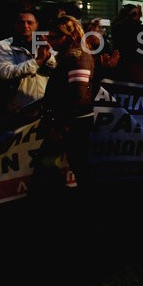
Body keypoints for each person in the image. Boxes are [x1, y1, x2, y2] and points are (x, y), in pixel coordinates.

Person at [32, 15, 96, 196]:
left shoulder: (78, 57)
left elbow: (79, 96)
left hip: (72, 124)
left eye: (54, 37)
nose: (49, 41)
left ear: (69, 36)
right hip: (70, 122)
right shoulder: (71, 55)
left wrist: (61, 126)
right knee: (79, 166)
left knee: (58, 164)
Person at [0, 10, 56, 114]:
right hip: (19, 106)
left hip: (45, 104)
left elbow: (58, 69)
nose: (25, 26)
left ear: (37, 25)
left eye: (30, 23)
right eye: (21, 22)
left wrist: (48, 56)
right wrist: (38, 61)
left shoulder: (46, 42)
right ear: (14, 25)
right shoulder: (3, 46)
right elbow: (6, 72)